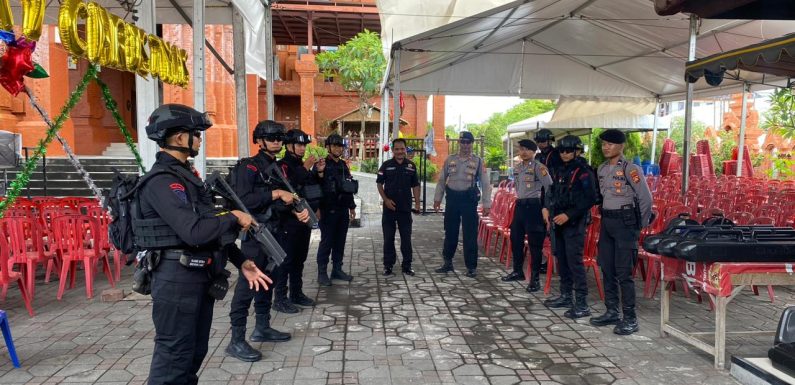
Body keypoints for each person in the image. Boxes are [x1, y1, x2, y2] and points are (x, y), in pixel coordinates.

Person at [137, 104, 271, 384]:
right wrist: (234, 217)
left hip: (198, 278)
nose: (199, 139)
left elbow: (212, 230)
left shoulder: (187, 178)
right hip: (176, 281)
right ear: (178, 138)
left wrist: (241, 261)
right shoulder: (163, 182)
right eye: (195, 134)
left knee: (193, 355)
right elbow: (195, 231)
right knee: (173, 360)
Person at [226, 120, 310, 361]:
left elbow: (280, 203)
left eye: (279, 138)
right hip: (256, 235)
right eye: (271, 137)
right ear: (259, 140)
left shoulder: (278, 168)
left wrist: (295, 209)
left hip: (277, 232)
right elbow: (244, 201)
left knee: (268, 282)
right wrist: (275, 193)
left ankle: (262, 326)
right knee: (247, 286)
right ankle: (236, 340)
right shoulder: (249, 168)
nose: (276, 141)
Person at [589, 129, 652, 336]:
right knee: (606, 267)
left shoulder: (630, 168)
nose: (606, 147)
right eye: (604, 144)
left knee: (624, 272)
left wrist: (638, 226)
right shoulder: (602, 168)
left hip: (625, 224)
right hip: (608, 222)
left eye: (610, 144)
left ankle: (630, 318)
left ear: (621, 146)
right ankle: (612, 311)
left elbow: (645, 198)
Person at [542, 135, 597, 319]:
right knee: (562, 260)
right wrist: (549, 211)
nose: (564, 154)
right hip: (558, 221)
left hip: (574, 222)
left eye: (568, 151)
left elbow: (590, 198)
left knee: (574, 262)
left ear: (578, 151)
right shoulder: (559, 170)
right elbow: (552, 193)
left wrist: (569, 215)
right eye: (562, 151)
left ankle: (581, 302)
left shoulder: (583, 171)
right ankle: (566, 295)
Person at [274, 129, 323, 311]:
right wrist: (305, 168)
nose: (303, 148)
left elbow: (310, 187)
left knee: (299, 259)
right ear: (289, 146)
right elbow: (289, 187)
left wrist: (318, 172)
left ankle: (296, 293)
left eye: (304, 145)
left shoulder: (301, 164)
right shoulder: (283, 166)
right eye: (299, 144)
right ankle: (279, 298)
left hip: (305, 218)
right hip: (288, 220)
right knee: (286, 260)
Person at [433, 131, 492, 278]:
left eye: (468, 142)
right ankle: (447, 262)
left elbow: (485, 184)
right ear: (459, 143)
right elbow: (441, 180)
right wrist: (437, 199)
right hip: (452, 199)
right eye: (463, 142)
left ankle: (471, 267)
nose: (465, 145)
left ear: (472, 144)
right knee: (450, 232)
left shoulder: (478, 161)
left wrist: (487, 204)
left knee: (470, 234)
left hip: (468, 201)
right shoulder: (450, 160)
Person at [501, 139, 552, 295]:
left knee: (535, 245)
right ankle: (518, 271)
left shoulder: (539, 167)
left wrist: (546, 207)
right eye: (521, 149)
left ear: (533, 151)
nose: (523, 152)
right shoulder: (517, 168)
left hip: (534, 207)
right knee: (516, 239)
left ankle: (534, 279)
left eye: (527, 149)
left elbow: (550, 187)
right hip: (520, 206)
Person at [315, 134, 356, 286]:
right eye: (335, 146)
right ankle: (322, 273)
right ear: (328, 147)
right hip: (327, 210)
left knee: (340, 241)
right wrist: (317, 208)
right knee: (327, 241)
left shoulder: (343, 165)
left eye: (340, 146)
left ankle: (337, 269)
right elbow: (315, 186)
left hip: (342, 209)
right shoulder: (322, 164)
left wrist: (352, 207)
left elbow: (348, 187)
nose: (338, 148)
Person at [377, 138, 421, 276]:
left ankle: (407, 265)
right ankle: (388, 265)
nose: (400, 152)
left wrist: (418, 203)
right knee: (388, 238)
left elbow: (415, 185)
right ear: (393, 150)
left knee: (406, 238)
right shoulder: (386, 165)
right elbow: (379, 184)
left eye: (402, 149)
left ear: (405, 149)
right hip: (389, 208)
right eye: (397, 149)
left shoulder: (411, 166)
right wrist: (385, 200)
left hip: (405, 208)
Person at [533, 128, 561, 274]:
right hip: (539, 195)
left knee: (552, 230)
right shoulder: (537, 156)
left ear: (549, 140)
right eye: (538, 141)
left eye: (543, 141)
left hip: (552, 195)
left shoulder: (556, 155)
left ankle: (555, 261)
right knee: (540, 229)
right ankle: (543, 260)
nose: (541, 144)